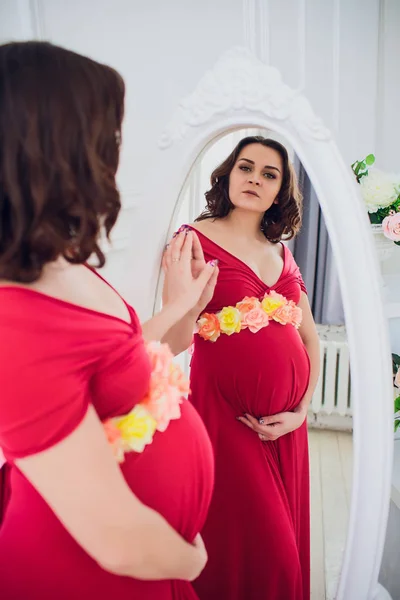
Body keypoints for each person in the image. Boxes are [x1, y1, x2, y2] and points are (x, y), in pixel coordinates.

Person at [0, 41, 220, 600]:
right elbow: (118, 540)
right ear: (57, 150)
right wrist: (190, 558)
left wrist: (179, 307)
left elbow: (108, 363)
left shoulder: (55, 257)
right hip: (85, 571)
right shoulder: (10, 318)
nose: (115, 153)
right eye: (107, 137)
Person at [165, 136, 320, 600]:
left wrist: (302, 411)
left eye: (269, 174)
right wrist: (189, 302)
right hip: (225, 418)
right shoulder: (194, 238)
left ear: (280, 192)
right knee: (268, 552)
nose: (255, 178)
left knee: (277, 547)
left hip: (286, 429)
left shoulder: (282, 251)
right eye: (246, 167)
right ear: (228, 175)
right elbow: (174, 341)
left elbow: (310, 339)